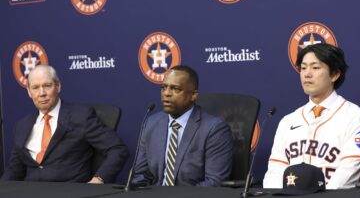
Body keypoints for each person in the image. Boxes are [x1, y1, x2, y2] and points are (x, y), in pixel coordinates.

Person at [263, 43, 360, 189]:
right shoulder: (288, 120)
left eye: (315, 67)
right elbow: (275, 171)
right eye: (303, 68)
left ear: (334, 74)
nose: (307, 74)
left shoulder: (356, 117)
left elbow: (350, 172)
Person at [1, 65, 129, 183]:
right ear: (29, 91)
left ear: (58, 86)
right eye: (35, 87)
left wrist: (99, 179)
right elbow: (14, 169)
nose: (42, 93)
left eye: (47, 85)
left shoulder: (81, 116)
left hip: (69, 191)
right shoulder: (22, 125)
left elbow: (118, 149)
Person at [133, 65, 233, 186]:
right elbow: (141, 175)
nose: (167, 93)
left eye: (175, 89)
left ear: (193, 95)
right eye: (163, 87)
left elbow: (214, 183)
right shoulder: (151, 123)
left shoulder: (214, 129)